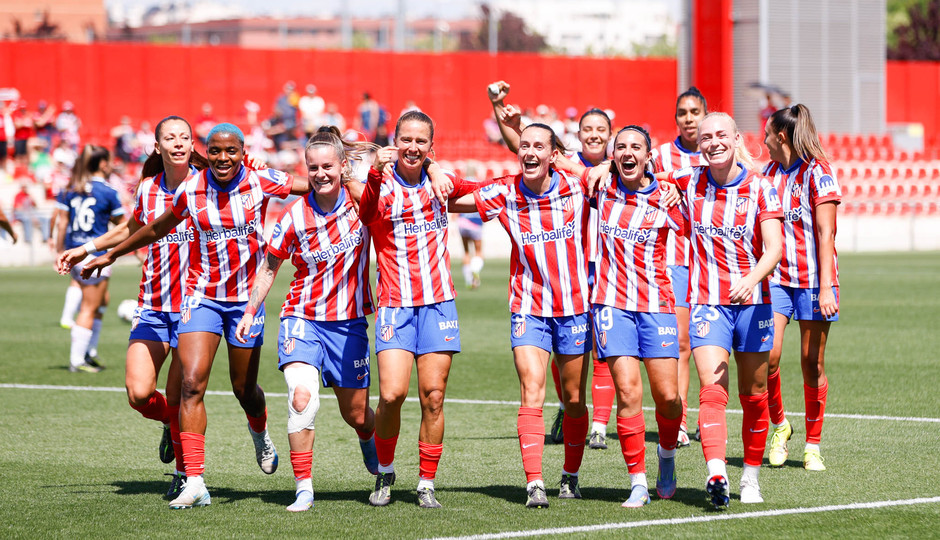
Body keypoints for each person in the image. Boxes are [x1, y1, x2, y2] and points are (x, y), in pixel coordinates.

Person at [82, 123, 312, 509]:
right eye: (216, 151)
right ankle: (195, 481)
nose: (223, 158)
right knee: (191, 384)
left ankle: (260, 432)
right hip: (201, 297)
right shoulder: (192, 187)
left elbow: (315, 186)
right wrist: (111, 254)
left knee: (244, 389)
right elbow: (157, 226)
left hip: (245, 301)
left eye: (232, 151)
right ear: (207, 152)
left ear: (243, 152)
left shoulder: (261, 180)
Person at [57, 115, 206, 499]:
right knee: (139, 393)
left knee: (181, 397)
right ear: (157, 146)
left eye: (184, 137)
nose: (177, 143)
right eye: (169, 138)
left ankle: (185, 475)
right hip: (153, 304)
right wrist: (88, 248)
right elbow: (131, 228)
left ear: (192, 144)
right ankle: (170, 426)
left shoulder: (207, 187)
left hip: (195, 307)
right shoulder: (147, 187)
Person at [235, 128, 380, 512]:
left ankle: (370, 438)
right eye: (313, 167)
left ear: (342, 167)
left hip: (349, 324)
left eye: (328, 166)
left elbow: (383, 194)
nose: (320, 174)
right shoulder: (294, 216)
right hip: (302, 317)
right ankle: (304, 489)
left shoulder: (360, 206)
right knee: (302, 398)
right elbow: (269, 265)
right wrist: (251, 310)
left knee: (358, 415)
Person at [450, 123, 593, 508]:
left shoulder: (576, 186)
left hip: (576, 307)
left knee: (575, 398)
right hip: (528, 306)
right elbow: (452, 198)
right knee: (532, 390)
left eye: (538, 146)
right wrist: (430, 172)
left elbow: (614, 178)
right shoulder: (504, 191)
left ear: (553, 154)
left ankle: (571, 474)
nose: (529, 152)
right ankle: (534, 483)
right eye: (524, 145)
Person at [659, 112, 783, 508]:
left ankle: (750, 476)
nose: (712, 142)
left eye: (720, 135)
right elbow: (637, 173)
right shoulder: (687, 179)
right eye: (706, 136)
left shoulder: (761, 188)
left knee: (755, 393)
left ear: (735, 140)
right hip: (708, 303)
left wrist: (751, 278)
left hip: (754, 303)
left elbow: (775, 248)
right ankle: (717, 470)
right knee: (712, 390)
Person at [487, 80, 615, 450]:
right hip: (565, 270)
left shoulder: (614, 168)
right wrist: (504, 111)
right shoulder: (567, 168)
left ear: (610, 136)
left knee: (601, 352)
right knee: (560, 365)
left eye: (600, 130)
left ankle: (599, 427)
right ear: (576, 136)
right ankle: (566, 406)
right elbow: (526, 148)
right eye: (587, 129)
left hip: (602, 269)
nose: (593, 135)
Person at [358, 110, 477, 509]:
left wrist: (440, 169)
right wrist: (375, 172)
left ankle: (426, 482)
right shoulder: (380, 184)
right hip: (395, 305)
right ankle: (385, 471)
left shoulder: (442, 184)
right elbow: (366, 211)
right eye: (405, 139)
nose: (412, 147)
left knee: (434, 396)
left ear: (430, 146)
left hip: (438, 304)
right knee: (391, 395)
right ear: (395, 142)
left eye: (420, 142)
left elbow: (488, 191)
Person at [591, 126, 684, 507]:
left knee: (669, 397)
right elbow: (555, 157)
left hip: (656, 304)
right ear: (614, 154)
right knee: (628, 392)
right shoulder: (600, 186)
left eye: (636, 147)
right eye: (621, 147)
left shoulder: (666, 195)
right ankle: (638, 483)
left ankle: (666, 457)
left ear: (648, 156)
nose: (628, 152)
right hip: (611, 304)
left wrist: (672, 184)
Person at [762, 104, 841, 472]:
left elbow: (826, 233)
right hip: (777, 279)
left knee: (812, 362)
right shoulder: (769, 172)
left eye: (767, 135)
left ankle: (813, 444)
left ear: (781, 137)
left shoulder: (819, 172)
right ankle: (780, 426)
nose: (762, 141)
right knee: (768, 357)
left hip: (813, 281)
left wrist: (826, 288)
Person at [649, 87, 710, 447]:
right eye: (682, 113)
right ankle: (683, 419)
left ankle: (710, 414)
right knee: (683, 342)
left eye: (695, 112)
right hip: (676, 258)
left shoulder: (717, 152)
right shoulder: (659, 156)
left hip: (714, 260)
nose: (688, 118)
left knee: (715, 344)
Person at [54, 145, 127, 373]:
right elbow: (125, 225)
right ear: (103, 164)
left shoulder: (70, 188)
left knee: (102, 300)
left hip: (73, 251)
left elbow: (62, 222)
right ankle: (78, 360)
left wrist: (59, 251)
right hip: (93, 254)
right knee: (89, 306)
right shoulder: (107, 191)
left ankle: (89, 351)